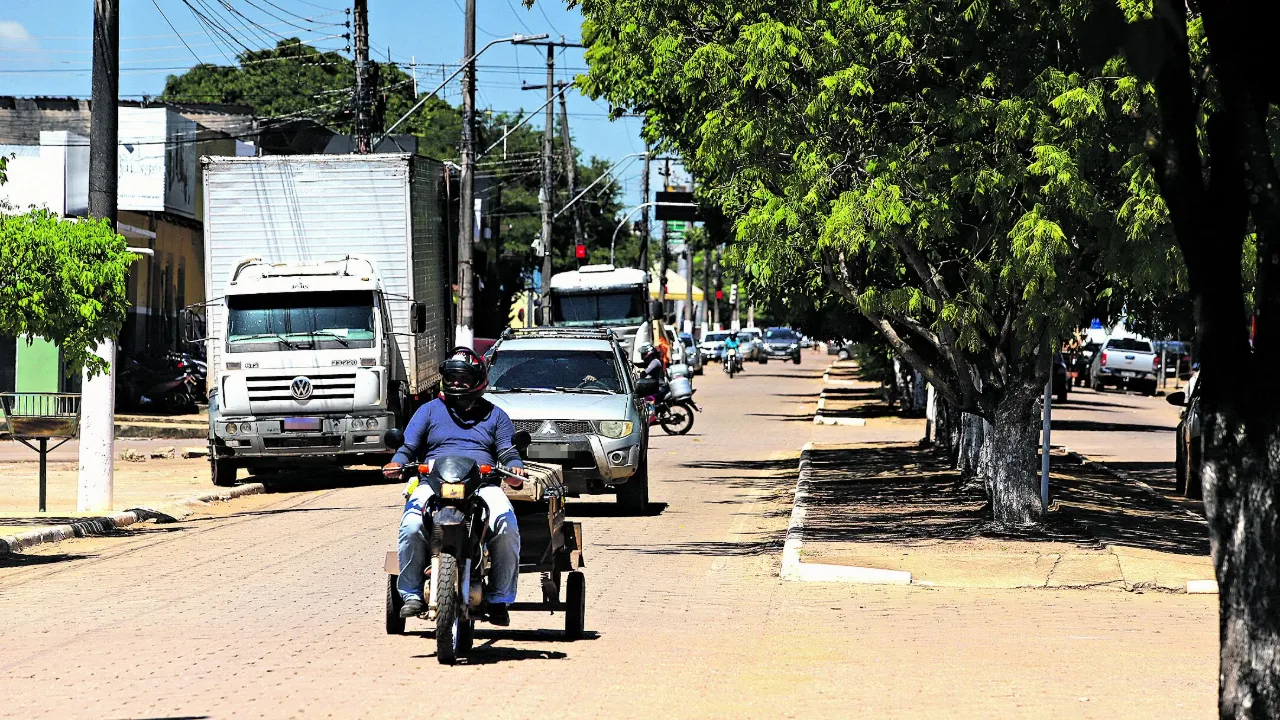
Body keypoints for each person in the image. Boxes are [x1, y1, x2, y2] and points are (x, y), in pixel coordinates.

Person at [383, 347, 527, 625]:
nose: (456, 383)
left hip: (483, 485)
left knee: (507, 526)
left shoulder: (496, 416)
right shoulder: (428, 411)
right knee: (411, 526)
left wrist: (514, 469)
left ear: (478, 381)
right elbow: (408, 447)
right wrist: (396, 463)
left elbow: (508, 452)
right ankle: (411, 594)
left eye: (463, 378)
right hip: (432, 483)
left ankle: (499, 598)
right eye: (451, 377)